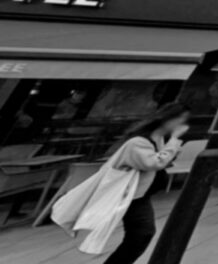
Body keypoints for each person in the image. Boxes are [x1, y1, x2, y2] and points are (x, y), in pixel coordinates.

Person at [53, 103, 189, 263]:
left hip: (139, 196)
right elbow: (154, 163)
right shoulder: (137, 142)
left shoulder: (157, 139)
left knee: (141, 235)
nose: (183, 125)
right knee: (140, 235)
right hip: (128, 196)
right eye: (180, 120)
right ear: (168, 119)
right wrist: (174, 141)